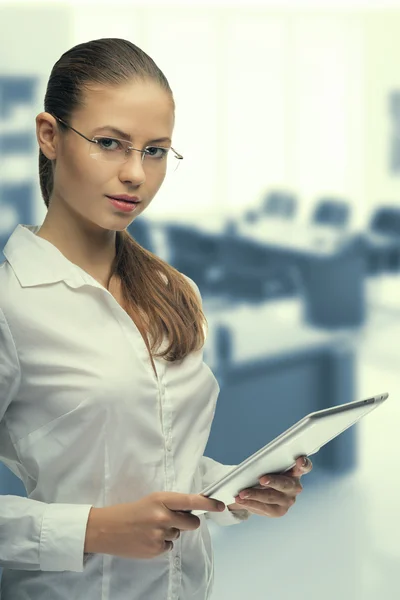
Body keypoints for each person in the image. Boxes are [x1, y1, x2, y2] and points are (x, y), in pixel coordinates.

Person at [0, 38, 312, 600]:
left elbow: (160, 460)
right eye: (110, 143)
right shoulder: (10, 305)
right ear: (49, 135)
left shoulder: (173, 292)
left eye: (155, 150)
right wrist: (95, 529)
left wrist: (238, 490)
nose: (135, 174)